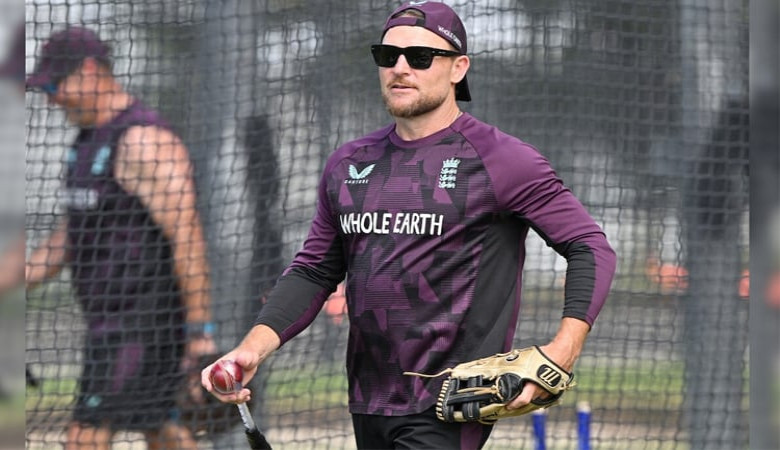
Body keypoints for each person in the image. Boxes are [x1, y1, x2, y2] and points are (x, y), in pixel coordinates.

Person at [201, 2, 617, 449]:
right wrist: (251, 349)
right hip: (368, 399)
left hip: (448, 404)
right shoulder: (349, 162)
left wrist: (563, 350)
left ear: (458, 68)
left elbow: (590, 246)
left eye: (420, 57)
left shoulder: (503, 159)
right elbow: (313, 271)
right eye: (388, 56)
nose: (400, 68)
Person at [5, 26, 216, 449]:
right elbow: (75, 232)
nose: (51, 99)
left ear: (89, 71)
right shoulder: (85, 141)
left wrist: (200, 331)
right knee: (162, 430)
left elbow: (188, 236)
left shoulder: (142, 140)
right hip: (107, 322)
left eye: (55, 86)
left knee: (85, 437)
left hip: (142, 324)